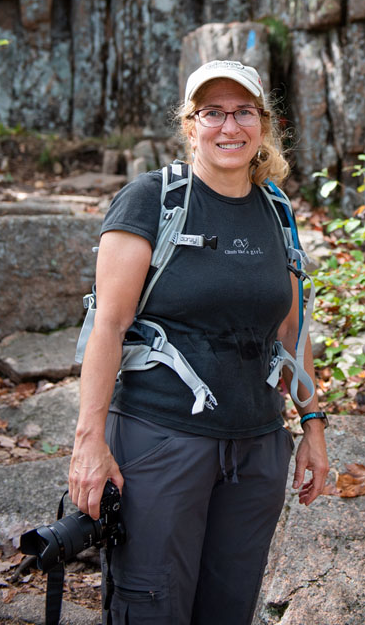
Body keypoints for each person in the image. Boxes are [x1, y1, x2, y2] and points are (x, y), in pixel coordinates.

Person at [69, 59, 329, 625]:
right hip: (162, 441)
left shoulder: (276, 210)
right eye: (212, 112)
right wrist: (89, 442)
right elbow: (107, 326)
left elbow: (291, 328)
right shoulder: (151, 200)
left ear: (263, 124)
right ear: (191, 125)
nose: (228, 126)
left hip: (258, 446)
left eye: (243, 112)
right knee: (151, 603)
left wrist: (312, 427)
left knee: (229, 607)